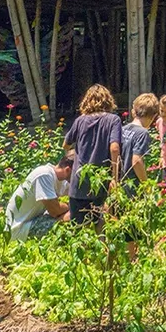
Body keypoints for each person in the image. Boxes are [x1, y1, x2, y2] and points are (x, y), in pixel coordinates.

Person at [63, 84, 122, 227]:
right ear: (108, 101)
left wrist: (73, 155)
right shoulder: (113, 120)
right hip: (101, 182)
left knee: (79, 230)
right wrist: (115, 177)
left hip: (78, 184)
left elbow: (66, 144)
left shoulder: (80, 120)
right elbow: (114, 148)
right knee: (102, 224)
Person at [5, 154, 72, 241]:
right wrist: (72, 206)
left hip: (31, 221)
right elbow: (55, 211)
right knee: (71, 216)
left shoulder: (61, 179)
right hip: (18, 230)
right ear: (67, 170)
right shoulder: (45, 175)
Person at [115, 93, 157, 193]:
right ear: (154, 115)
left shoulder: (123, 129)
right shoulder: (142, 133)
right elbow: (137, 161)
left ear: (134, 111)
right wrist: (146, 185)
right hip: (132, 187)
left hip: (118, 185)